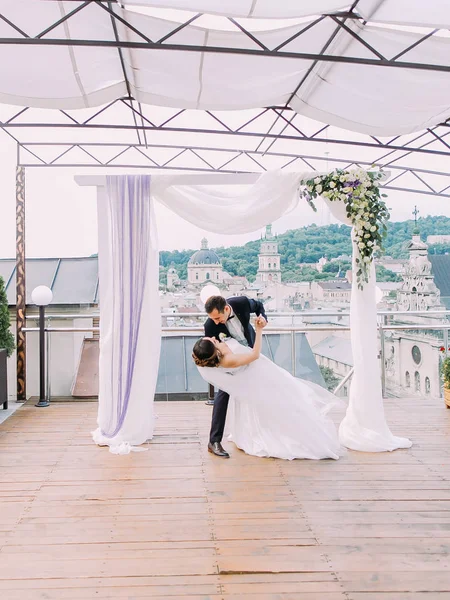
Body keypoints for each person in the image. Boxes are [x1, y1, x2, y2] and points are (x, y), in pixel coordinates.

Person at [193, 317, 342, 461]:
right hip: (260, 374)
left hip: (260, 371)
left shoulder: (218, 354)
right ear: (213, 350)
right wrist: (259, 330)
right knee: (286, 399)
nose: (213, 337)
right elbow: (255, 355)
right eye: (211, 340)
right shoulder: (228, 359)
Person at [203, 295, 267, 458]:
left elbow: (259, 305)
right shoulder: (210, 325)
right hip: (232, 361)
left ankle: (259, 432)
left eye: (217, 318)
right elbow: (214, 352)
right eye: (213, 319)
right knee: (223, 394)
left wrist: (263, 318)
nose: (216, 322)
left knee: (261, 390)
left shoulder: (242, 303)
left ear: (226, 309)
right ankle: (214, 441)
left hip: (252, 350)